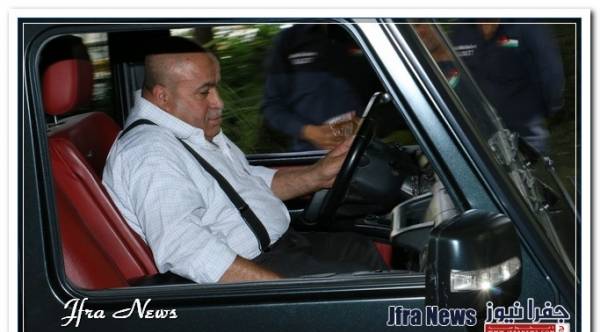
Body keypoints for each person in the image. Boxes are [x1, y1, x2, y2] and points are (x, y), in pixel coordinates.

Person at [103, 37, 386, 285]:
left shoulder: (190, 129)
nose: (219, 102)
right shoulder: (150, 153)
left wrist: (317, 175)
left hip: (282, 245)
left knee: (360, 248)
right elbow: (184, 247)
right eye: (204, 92)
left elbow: (245, 181)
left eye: (216, 88)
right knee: (368, 284)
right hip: (254, 267)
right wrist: (284, 293)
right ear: (163, 96)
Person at [450, 21, 565, 156]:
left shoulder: (525, 25)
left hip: (526, 136)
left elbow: (550, 71)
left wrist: (549, 108)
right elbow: (455, 74)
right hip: (483, 139)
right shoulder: (462, 30)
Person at [261, 24, 377, 151]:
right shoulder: (289, 39)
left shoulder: (364, 32)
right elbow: (272, 106)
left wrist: (368, 124)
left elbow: (387, 98)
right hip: (310, 155)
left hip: (365, 150)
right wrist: (308, 132)